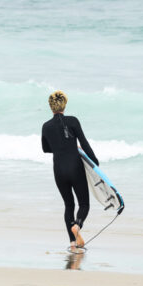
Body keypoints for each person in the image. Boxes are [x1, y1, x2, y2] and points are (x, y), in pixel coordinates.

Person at [41, 90, 99, 252]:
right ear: (64, 105)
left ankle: (73, 243)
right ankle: (77, 225)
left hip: (58, 169)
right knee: (84, 204)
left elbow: (46, 149)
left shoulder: (46, 126)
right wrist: (95, 163)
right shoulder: (73, 121)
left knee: (68, 205)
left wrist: (60, 146)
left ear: (51, 107)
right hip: (75, 167)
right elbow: (84, 143)